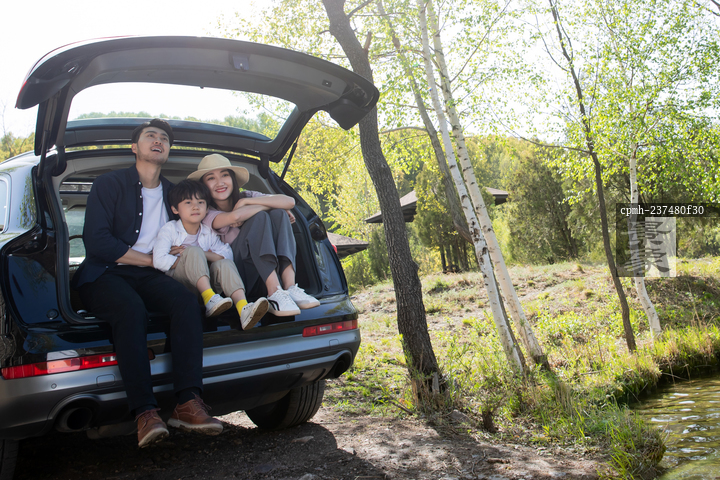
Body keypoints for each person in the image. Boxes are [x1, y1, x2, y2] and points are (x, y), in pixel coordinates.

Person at [72, 119, 223, 448]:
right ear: (134, 147)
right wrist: (151, 260)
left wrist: (261, 207)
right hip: (104, 273)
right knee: (130, 309)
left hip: (152, 275)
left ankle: (187, 403)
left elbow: (209, 213)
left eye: (164, 138)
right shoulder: (109, 184)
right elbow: (97, 241)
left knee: (186, 301)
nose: (158, 140)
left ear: (168, 149)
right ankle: (145, 413)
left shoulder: (174, 193)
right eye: (150, 136)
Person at [187, 154, 320, 317]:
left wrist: (246, 202)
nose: (220, 182)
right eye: (211, 178)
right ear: (203, 185)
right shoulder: (206, 212)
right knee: (261, 217)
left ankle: (289, 287)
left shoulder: (246, 197)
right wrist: (267, 206)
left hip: (262, 274)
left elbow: (289, 202)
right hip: (237, 279)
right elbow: (235, 217)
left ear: (232, 179)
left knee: (279, 214)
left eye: (224, 175)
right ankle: (273, 292)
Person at [152, 179, 268, 330]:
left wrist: (202, 255)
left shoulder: (207, 231)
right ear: (175, 209)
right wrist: (189, 258)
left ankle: (243, 308)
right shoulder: (170, 230)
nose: (195, 207)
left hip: (212, 286)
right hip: (182, 286)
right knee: (193, 252)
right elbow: (159, 260)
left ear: (207, 209)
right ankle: (209, 298)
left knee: (224, 263)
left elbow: (226, 255)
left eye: (200, 202)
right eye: (188, 202)